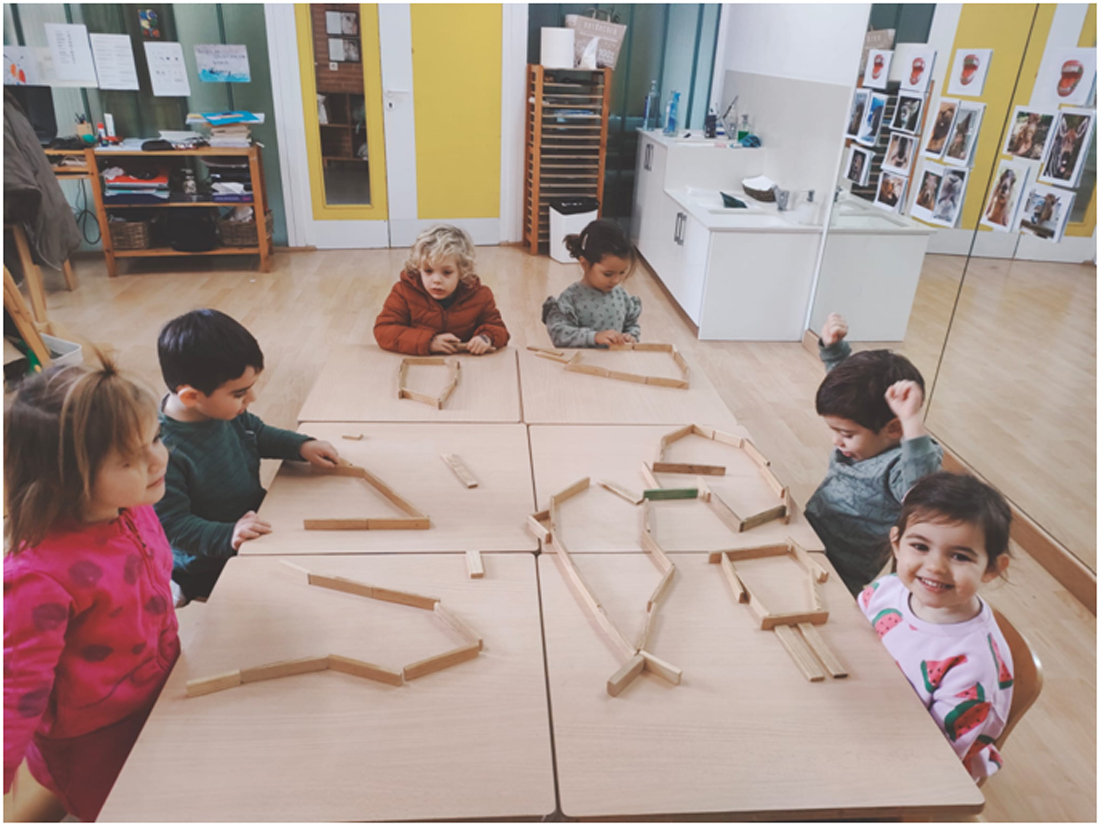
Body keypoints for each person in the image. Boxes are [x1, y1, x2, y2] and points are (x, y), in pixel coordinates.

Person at [4, 354, 180, 821]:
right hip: (91, 736)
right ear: (63, 480)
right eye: (128, 458)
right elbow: (16, 690)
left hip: (159, 689)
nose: (156, 459)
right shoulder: (35, 579)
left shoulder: (130, 504)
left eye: (155, 438)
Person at [156, 309, 340, 602]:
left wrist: (300, 446)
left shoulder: (222, 409)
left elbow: (258, 434)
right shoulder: (161, 451)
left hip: (255, 522)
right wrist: (229, 535)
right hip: (209, 563)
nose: (250, 400)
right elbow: (173, 525)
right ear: (191, 397)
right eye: (239, 394)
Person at [859, 472, 1013, 782]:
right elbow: (848, 638)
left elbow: (931, 762)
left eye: (959, 556)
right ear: (897, 544)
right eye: (920, 546)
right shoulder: (888, 590)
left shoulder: (974, 669)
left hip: (911, 770)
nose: (935, 567)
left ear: (993, 568)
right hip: (862, 712)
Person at [805, 313, 943, 595]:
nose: (837, 441)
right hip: (810, 528)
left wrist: (911, 421)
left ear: (893, 428)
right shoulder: (862, 426)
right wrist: (833, 350)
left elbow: (922, 483)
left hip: (841, 568)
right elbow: (848, 397)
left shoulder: (899, 467)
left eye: (847, 434)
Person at [374, 224, 509, 355]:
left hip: (466, 365)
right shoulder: (403, 292)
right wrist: (428, 342)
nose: (436, 280)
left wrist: (486, 338)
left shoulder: (480, 296)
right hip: (419, 365)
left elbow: (499, 329)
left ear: (462, 271)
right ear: (418, 269)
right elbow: (384, 330)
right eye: (428, 271)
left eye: (446, 272)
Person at [542, 219, 642, 347]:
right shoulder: (571, 298)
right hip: (580, 363)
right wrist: (594, 337)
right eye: (608, 274)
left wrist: (630, 336)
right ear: (585, 264)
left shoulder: (621, 296)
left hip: (616, 362)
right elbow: (560, 334)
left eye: (622, 273)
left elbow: (631, 324)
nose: (616, 280)